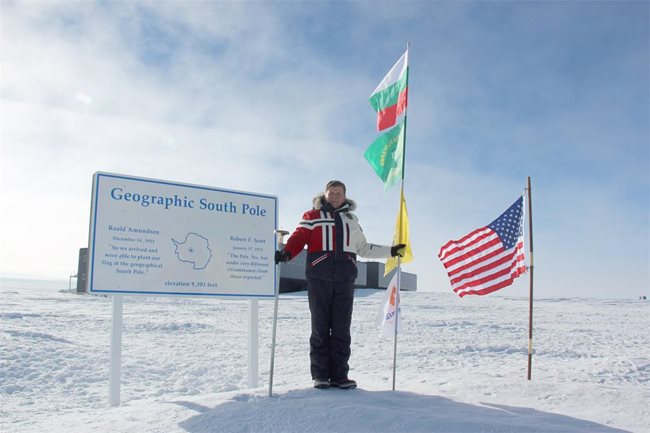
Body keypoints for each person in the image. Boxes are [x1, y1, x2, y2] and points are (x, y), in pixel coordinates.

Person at [275, 180, 405, 390]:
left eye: (338, 193)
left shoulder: (351, 220)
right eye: (331, 192)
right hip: (319, 278)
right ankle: (321, 376)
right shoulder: (312, 216)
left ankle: (339, 376)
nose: (334, 196)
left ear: (345, 197)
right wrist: (287, 252)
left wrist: (391, 251)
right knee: (320, 328)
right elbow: (299, 238)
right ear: (325, 194)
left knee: (342, 329)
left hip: (345, 280)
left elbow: (364, 248)